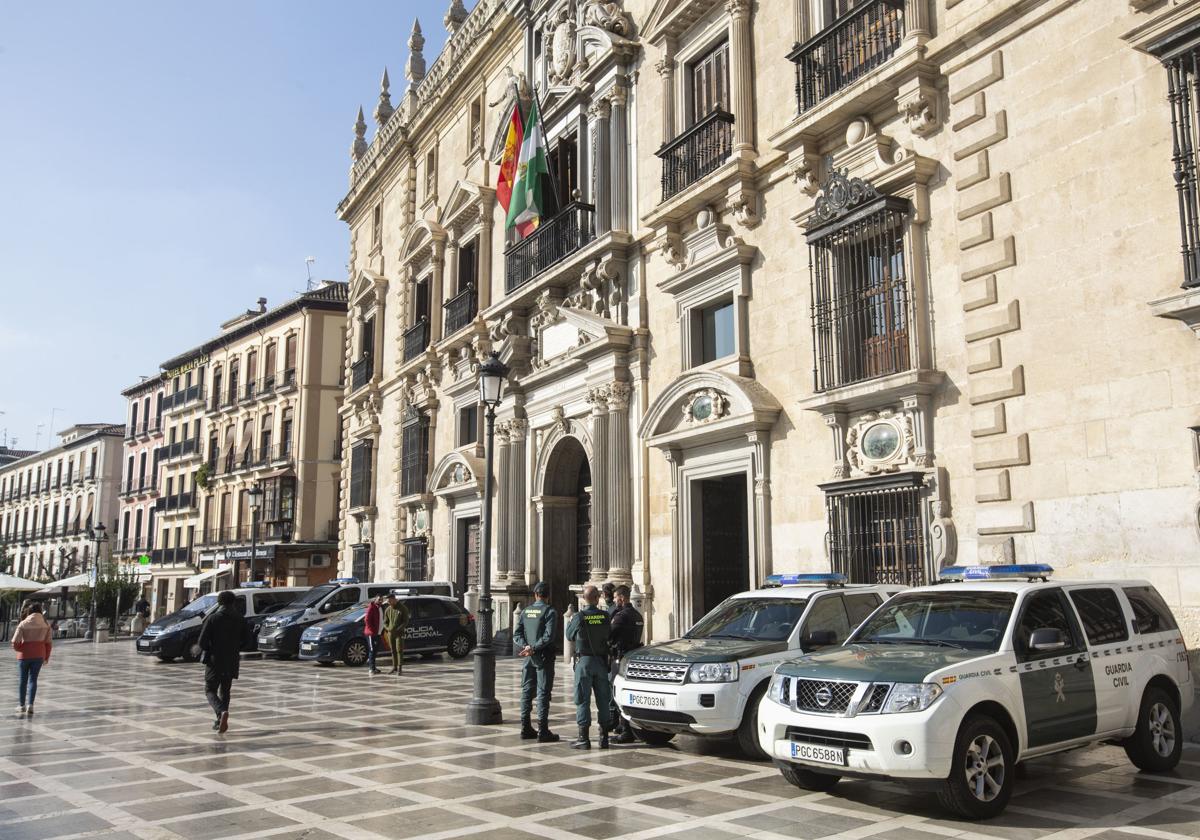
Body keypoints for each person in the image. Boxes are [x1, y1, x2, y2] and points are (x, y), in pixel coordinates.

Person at [565, 584, 612, 750]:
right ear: (597, 598)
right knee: (603, 700)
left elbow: (569, 635)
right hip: (600, 661)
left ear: (584, 599)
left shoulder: (579, 617)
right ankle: (604, 737)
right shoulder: (605, 616)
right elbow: (609, 636)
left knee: (582, 700)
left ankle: (583, 738)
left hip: (584, 662)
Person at [513, 581, 559, 743]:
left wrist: (526, 646)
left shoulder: (526, 611)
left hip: (528, 657)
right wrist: (533, 647)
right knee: (543, 692)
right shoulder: (550, 612)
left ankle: (525, 727)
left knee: (526, 691)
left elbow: (516, 634)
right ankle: (543, 730)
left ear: (535, 595)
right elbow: (549, 636)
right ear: (548, 596)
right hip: (543, 657)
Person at [197, 590, 246, 734]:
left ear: (219, 603)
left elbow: (202, 642)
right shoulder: (240, 619)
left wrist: (209, 649)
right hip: (232, 660)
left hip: (215, 660)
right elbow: (248, 641)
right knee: (225, 690)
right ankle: (220, 721)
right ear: (233, 602)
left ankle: (221, 711)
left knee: (210, 689)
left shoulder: (213, 618)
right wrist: (235, 648)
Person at [608, 584, 644, 744]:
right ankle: (626, 727)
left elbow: (609, 636)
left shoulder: (620, 616)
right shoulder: (638, 616)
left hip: (620, 659)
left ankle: (625, 730)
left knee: (618, 694)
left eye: (616, 598)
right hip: (632, 658)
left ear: (621, 598)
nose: (615, 600)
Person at [12, 601, 52, 716]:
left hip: (24, 656)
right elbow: (48, 643)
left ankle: (21, 705)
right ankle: (31, 705)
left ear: (29, 611)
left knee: (23, 680)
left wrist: (20, 649)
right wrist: (46, 657)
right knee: (33, 680)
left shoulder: (23, 623)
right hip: (39, 654)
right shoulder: (46, 624)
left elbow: (15, 641)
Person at [383, 593, 410, 675]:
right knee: (393, 650)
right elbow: (385, 622)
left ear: (394, 599)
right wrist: (388, 629)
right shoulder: (388, 609)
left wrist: (399, 628)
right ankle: (394, 667)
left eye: (390, 601)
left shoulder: (403, 608)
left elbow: (405, 621)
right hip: (390, 633)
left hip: (399, 633)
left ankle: (400, 668)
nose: (389, 603)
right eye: (388, 602)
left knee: (399, 650)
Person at [363, 596, 383, 674]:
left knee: (375, 650)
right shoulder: (371, 607)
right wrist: (372, 630)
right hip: (371, 633)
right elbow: (366, 620)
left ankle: (374, 667)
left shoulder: (380, 608)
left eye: (381, 599)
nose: (380, 601)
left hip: (378, 633)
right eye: (379, 599)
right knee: (372, 650)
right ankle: (371, 668)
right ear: (375, 600)